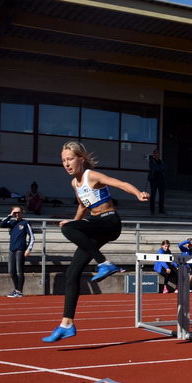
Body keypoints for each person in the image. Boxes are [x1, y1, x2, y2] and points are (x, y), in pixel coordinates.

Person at [42, 141, 149, 342]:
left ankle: (104, 263)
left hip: (110, 221)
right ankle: (67, 324)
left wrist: (138, 193)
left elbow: (120, 183)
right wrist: (74, 222)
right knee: (72, 273)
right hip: (93, 224)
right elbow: (83, 207)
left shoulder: (91, 175)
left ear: (81, 159)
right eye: (63, 160)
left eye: (70, 159)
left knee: (68, 227)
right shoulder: (74, 183)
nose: (66, 163)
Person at [0, 205, 34, 297]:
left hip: (21, 249)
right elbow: (1, 224)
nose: (17, 214)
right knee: (11, 271)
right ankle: (16, 289)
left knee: (19, 271)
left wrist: (28, 249)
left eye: (19, 212)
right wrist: (10, 215)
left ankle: (19, 291)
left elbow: (32, 237)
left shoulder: (26, 223)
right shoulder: (11, 222)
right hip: (12, 249)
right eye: (15, 212)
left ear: (22, 212)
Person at [148, 149, 167, 215]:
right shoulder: (151, 161)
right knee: (153, 195)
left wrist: (159, 168)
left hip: (161, 181)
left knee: (162, 196)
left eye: (157, 153)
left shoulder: (161, 161)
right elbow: (156, 168)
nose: (156, 154)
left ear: (159, 154)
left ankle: (161, 210)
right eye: (154, 153)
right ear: (153, 154)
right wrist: (160, 168)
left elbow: (164, 167)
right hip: (154, 180)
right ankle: (152, 210)